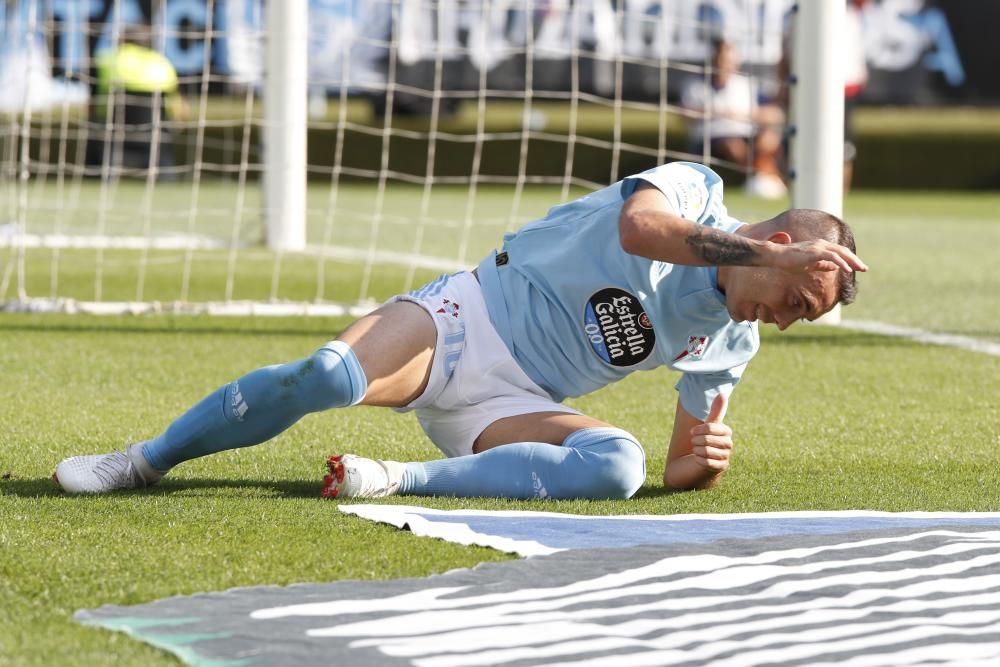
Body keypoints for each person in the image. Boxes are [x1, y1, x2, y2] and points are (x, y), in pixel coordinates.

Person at [54, 161, 866, 500]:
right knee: (329, 376)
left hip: (513, 405)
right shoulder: (695, 188)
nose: (790, 318)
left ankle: (394, 479)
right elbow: (637, 231)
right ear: (780, 248)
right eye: (800, 298)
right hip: (461, 322)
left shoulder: (733, 341)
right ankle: (142, 461)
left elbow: (681, 464)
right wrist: (752, 249)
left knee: (616, 464)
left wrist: (704, 465)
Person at [681, 37, 787, 199]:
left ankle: (765, 181)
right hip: (712, 138)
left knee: (768, 139)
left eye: (729, 59)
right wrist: (719, 114)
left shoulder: (745, 85)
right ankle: (767, 180)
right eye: (721, 59)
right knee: (733, 145)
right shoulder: (694, 85)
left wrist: (749, 117)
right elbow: (685, 114)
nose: (725, 64)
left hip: (746, 133)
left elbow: (773, 113)